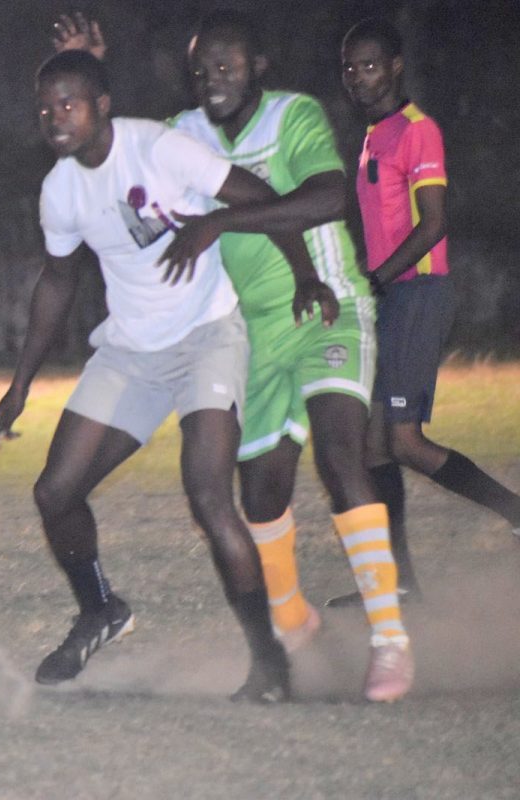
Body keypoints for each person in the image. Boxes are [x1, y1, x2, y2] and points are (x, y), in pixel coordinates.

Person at [51, 10, 415, 702]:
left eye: (227, 66)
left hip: (328, 303)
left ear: (259, 67)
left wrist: (221, 220)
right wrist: (91, 73)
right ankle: (294, 623)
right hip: (251, 331)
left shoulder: (294, 115)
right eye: (201, 71)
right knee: (259, 494)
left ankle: (390, 641)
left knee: (342, 459)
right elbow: (127, 155)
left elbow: (327, 197)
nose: (212, 80)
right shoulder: (184, 133)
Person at [0, 48, 324, 702]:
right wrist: (20, 384)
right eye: (45, 108)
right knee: (55, 492)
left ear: (102, 106)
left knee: (207, 494)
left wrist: (304, 273)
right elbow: (57, 283)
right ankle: (101, 610)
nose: (55, 117)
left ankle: (270, 663)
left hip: (207, 337)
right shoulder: (60, 188)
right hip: (131, 350)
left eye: (69, 103)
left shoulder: (161, 149)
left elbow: (260, 197)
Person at [334, 18, 520, 603]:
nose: (359, 77)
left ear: (395, 67)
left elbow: (434, 223)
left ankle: (515, 511)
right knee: (371, 447)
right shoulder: (372, 135)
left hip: (416, 293)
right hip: (392, 295)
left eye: (369, 65)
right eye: (349, 68)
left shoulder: (418, 131)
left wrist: (379, 277)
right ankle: (399, 582)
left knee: (405, 442)